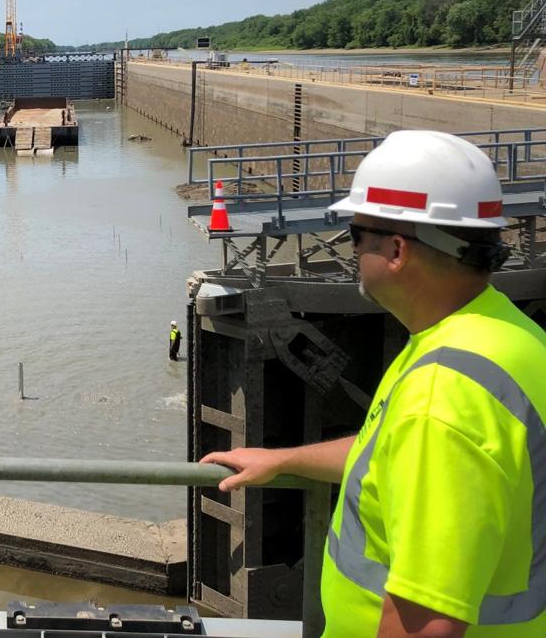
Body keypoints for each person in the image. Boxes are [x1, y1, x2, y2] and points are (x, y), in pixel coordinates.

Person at [200, 131, 546, 637]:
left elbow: (427, 624)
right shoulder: (508, 336)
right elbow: (393, 453)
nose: (352, 250)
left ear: (398, 250)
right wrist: (285, 460)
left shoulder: (444, 396)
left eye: (356, 236)